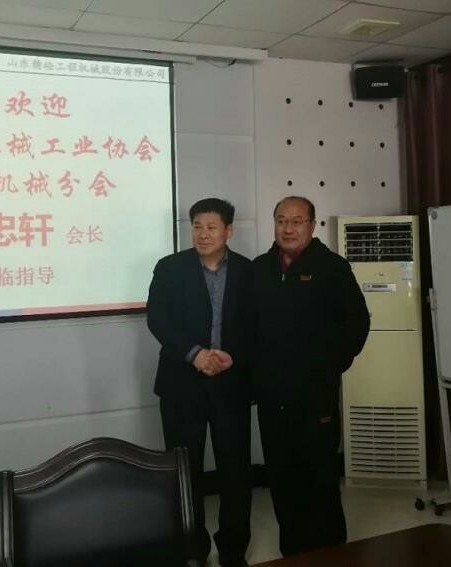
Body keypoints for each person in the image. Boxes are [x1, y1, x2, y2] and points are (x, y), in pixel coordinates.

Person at [251, 196, 370, 557]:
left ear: (312, 226)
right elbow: (246, 327)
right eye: (281, 220)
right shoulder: (260, 268)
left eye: (297, 221)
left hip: (316, 395)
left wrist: (329, 366)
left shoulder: (332, 267)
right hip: (272, 397)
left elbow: (357, 324)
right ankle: (293, 552)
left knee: (319, 477)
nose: (288, 228)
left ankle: (331, 554)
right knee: (281, 477)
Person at [147, 198, 253, 567]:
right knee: (184, 472)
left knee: (235, 470)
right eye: (196, 226)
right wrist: (195, 354)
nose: (202, 234)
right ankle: (191, 548)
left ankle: (233, 549)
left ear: (228, 231)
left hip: (230, 384)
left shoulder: (247, 271)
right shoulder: (169, 268)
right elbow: (158, 319)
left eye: (211, 227)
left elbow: (256, 325)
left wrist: (232, 355)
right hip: (181, 385)